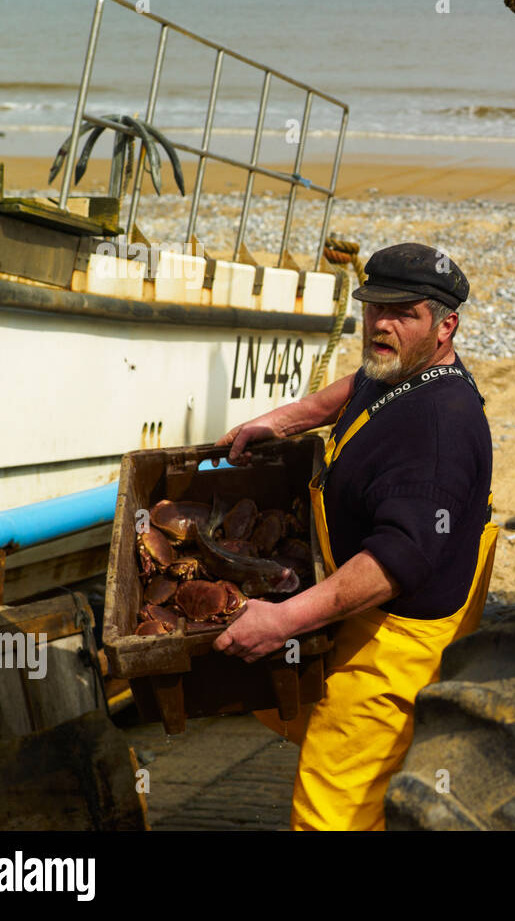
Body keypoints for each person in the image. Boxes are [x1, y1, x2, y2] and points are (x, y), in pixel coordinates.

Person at [213, 242, 496, 831]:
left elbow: (398, 561)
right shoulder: (401, 366)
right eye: (373, 309)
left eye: (404, 314)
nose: (381, 326)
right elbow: (360, 385)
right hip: (360, 607)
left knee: (330, 813)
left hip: (393, 639)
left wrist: (285, 621)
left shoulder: (438, 431)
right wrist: (286, 419)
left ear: (447, 326)